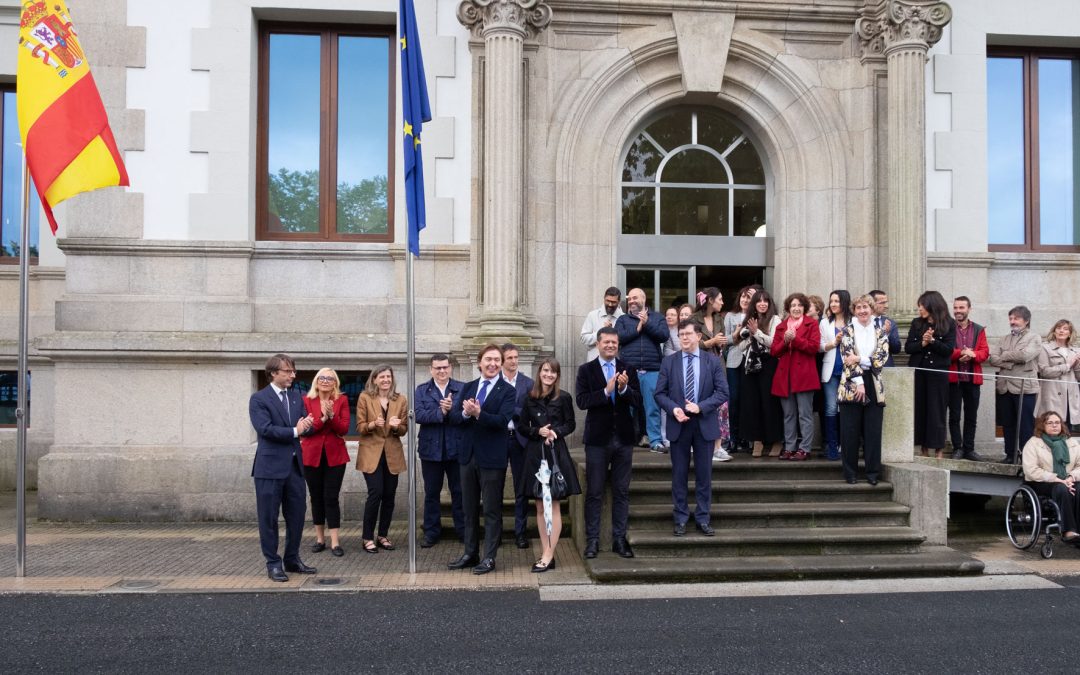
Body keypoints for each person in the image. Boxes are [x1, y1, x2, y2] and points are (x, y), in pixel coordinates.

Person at [447, 344, 516, 575]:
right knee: (468, 509)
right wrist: (465, 413)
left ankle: (489, 557)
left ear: (502, 364)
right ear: (479, 362)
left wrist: (479, 414)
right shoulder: (468, 387)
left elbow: (502, 421)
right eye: (488, 359)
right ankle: (470, 553)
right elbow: (455, 418)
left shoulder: (508, 391)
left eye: (497, 360)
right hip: (467, 457)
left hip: (492, 458)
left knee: (492, 510)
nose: (492, 364)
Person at [656, 320, 729, 536]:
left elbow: (723, 392)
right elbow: (660, 393)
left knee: (704, 475)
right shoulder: (669, 362)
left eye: (688, 334)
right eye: (681, 334)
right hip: (678, 424)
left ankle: (703, 518)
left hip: (704, 423)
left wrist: (700, 407)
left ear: (699, 336)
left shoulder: (712, 361)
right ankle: (680, 518)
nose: (684, 338)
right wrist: (674, 409)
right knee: (679, 475)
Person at [248, 353, 316, 582]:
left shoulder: (297, 397)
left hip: (294, 468)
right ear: (273, 373)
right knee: (268, 518)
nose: (292, 375)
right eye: (288, 371)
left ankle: (292, 559)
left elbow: (305, 426)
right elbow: (265, 429)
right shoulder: (259, 399)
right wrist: (296, 430)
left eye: (293, 371)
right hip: (269, 468)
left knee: (297, 516)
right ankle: (273, 563)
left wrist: (310, 424)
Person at [576, 326, 641, 559]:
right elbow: (582, 401)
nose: (611, 346)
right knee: (594, 491)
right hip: (597, 440)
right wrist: (606, 391)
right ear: (598, 344)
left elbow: (638, 401)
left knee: (621, 491)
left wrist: (623, 389)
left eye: (614, 342)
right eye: (606, 342)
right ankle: (592, 541)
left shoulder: (628, 369)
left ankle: (619, 540)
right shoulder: (586, 370)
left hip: (623, 439)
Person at [517, 358, 581, 572]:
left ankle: (548, 554)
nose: (548, 375)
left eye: (553, 372)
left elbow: (570, 424)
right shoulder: (529, 397)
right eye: (545, 370)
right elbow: (522, 426)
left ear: (557, 375)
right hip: (535, 454)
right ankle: (547, 552)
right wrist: (537, 431)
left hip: (554, 454)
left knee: (552, 504)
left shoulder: (564, 397)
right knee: (539, 505)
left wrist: (555, 432)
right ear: (540, 372)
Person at [837, 295, 890, 484]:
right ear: (854, 310)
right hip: (851, 384)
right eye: (858, 307)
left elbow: (881, 358)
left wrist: (860, 358)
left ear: (871, 308)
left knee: (873, 432)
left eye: (865, 307)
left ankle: (872, 473)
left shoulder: (880, 331)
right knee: (849, 432)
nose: (862, 311)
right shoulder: (847, 331)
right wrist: (859, 382)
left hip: (874, 383)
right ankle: (850, 473)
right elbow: (847, 358)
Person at [355, 365, 407, 554]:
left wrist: (396, 427)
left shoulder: (400, 399)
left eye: (388, 377)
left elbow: (404, 429)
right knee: (375, 493)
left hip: (392, 453)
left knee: (389, 496)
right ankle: (367, 537)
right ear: (374, 380)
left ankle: (383, 535)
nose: (386, 380)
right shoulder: (365, 397)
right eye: (382, 377)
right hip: (371, 453)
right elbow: (359, 427)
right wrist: (372, 424)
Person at [414, 354, 465, 548]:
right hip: (431, 450)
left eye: (445, 367)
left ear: (450, 368)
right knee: (431, 494)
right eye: (438, 368)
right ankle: (431, 532)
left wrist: (452, 410)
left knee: (459, 492)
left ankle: (463, 531)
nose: (442, 371)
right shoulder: (422, 390)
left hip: (456, 449)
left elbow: (465, 416)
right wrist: (440, 412)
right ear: (431, 370)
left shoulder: (462, 388)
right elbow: (419, 415)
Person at [301, 368, 351, 557]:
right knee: (316, 497)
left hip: (335, 456)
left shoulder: (342, 400)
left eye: (329, 378)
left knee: (331, 497)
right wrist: (322, 419)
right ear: (316, 380)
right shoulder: (306, 401)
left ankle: (335, 542)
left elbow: (344, 429)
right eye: (321, 377)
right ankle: (320, 539)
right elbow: (306, 430)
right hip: (311, 455)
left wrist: (331, 416)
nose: (325, 381)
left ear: (335, 383)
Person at [615, 287, 670, 453]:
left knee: (652, 407)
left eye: (635, 298)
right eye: (630, 299)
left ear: (644, 299)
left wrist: (647, 323)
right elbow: (618, 337)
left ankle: (655, 441)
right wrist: (637, 329)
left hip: (652, 369)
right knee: (627, 408)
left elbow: (664, 335)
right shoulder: (623, 319)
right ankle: (625, 441)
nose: (631, 301)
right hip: (628, 370)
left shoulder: (657, 317)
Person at [905, 291, 956, 459]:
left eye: (922, 305)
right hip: (919, 372)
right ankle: (923, 448)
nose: (920, 309)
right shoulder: (917, 323)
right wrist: (923, 342)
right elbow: (909, 348)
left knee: (937, 410)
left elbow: (948, 350)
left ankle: (938, 448)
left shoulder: (949, 323)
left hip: (938, 373)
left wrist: (933, 341)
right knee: (920, 409)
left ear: (932, 305)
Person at [771, 293, 821, 461]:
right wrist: (785, 341)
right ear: (788, 308)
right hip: (785, 377)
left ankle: (805, 448)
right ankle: (790, 447)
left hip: (804, 376)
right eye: (793, 305)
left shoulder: (812, 324)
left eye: (799, 305)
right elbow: (774, 351)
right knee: (788, 415)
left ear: (804, 308)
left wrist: (796, 339)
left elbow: (814, 347)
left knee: (805, 415)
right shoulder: (781, 327)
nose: (796, 308)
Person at [989, 305, 1041, 464]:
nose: (1012, 321)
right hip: (1004, 387)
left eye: (1016, 318)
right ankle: (1010, 455)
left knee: (1026, 425)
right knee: (1008, 424)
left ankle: (1027, 459)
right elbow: (993, 359)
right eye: (1010, 318)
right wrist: (1010, 362)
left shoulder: (1034, 337)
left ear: (1026, 320)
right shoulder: (1004, 338)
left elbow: (1025, 356)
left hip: (1024, 388)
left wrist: (1004, 356)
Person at [1021, 411, 1080, 543]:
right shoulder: (1033, 443)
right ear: (1042, 425)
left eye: (1057, 422)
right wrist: (1057, 479)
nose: (1054, 425)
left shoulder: (1071, 442)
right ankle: (1068, 531)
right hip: (1042, 482)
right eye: (1050, 423)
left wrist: (1071, 478)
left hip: (1068, 479)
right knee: (1061, 489)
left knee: (1079, 488)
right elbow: (1031, 470)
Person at [740, 289, 783, 457]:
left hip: (769, 363)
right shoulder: (749, 319)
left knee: (770, 402)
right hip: (751, 365)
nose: (762, 304)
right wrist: (747, 335)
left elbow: (774, 343)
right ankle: (757, 441)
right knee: (752, 403)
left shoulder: (775, 319)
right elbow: (741, 347)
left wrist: (756, 332)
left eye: (766, 301)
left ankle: (776, 440)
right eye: (759, 301)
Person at [691, 287, 731, 462]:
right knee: (700, 404)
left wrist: (722, 342)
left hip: (718, 365)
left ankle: (718, 447)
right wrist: (710, 342)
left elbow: (722, 341)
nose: (722, 302)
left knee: (721, 406)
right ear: (710, 300)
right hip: (699, 365)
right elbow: (690, 342)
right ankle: (698, 443)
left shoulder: (719, 318)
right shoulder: (693, 319)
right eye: (720, 299)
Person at [502, 343, 534, 550]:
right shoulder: (494, 381)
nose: (514, 361)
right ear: (502, 360)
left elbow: (531, 411)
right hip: (498, 439)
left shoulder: (528, 383)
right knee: (494, 487)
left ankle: (520, 533)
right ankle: (495, 534)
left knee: (521, 488)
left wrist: (511, 409)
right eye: (510, 358)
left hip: (520, 439)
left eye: (516, 357)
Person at [948, 297, 989, 461]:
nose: (958, 311)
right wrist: (961, 353)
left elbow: (985, 352)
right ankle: (957, 448)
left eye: (961, 307)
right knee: (954, 416)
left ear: (969, 309)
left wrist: (972, 354)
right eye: (956, 307)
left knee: (971, 416)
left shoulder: (979, 329)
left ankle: (969, 449)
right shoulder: (947, 328)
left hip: (972, 380)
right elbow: (945, 350)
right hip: (954, 379)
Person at [724, 286, 759, 454]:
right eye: (743, 297)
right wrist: (736, 334)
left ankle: (747, 438)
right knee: (734, 400)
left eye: (749, 297)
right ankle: (733, 438)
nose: (745, 300)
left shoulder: (757, 315)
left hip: (752, 362)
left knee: (748, 401)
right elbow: (725, 340)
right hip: (734, 361)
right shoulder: (730, 316)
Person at [819, 290, 851, 461]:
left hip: (850, 372)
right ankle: (832, 446)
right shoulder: (825, 322)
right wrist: (834, 343)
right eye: (831, 301)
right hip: (830, 371)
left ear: (844, 302)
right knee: (831, 408)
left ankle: (845, 445)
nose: (833, 304)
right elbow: (820, 346)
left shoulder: (854, 321)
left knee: (847, 409)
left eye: (837, 301)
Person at [1035, 320, 1080, 429]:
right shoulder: (1045, 348)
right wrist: (1067, 365)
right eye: (1058, 328)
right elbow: (1044, 371)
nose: (1061, 331)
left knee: (1066, 429)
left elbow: (1078, 376)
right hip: (1052, 394)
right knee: (1051, 426)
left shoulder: (1076, 350)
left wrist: (1077, 365)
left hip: (1070, 395)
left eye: (1065, 329)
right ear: (1054, 331)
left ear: (1070, 333)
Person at [580, 286, 623, 362]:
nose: (610, 304)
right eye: (608, 301)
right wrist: (600, 332)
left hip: (615, 363)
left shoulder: (623, 317)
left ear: (619, 302)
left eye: (613, 302)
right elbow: (583, 338)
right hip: (594, 363)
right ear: (604, 299)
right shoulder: (592, 315)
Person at [869, 290, 901, 366]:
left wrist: (887, 334)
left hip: (886, 367)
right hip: (867, 367)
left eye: (886, 302)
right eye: (882, 303)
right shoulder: (862, 322)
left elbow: (896, 349)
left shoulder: (890, 323)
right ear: (871, 304)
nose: (886, 306)